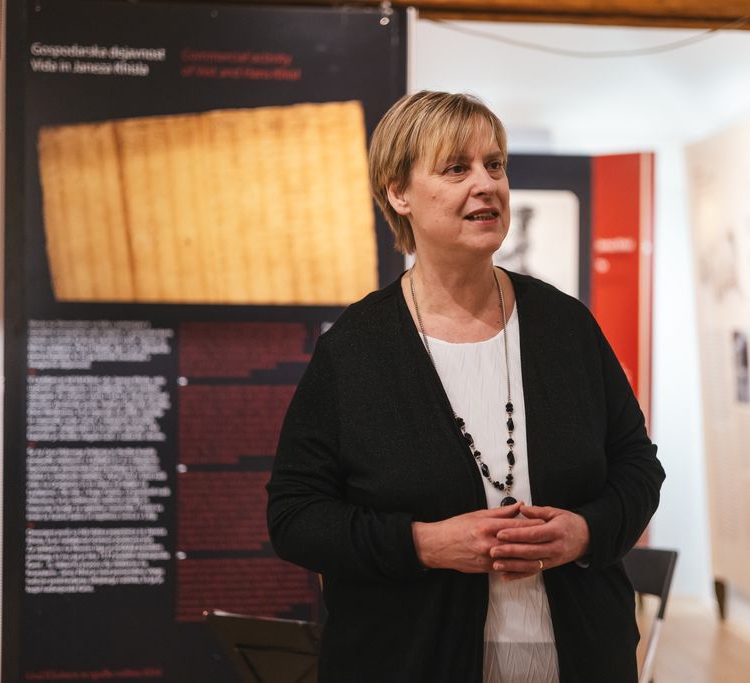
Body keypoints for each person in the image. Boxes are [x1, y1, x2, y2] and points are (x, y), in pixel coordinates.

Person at [266, 91, 665, 683]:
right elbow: (295, 515)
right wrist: (423, 544)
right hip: (408, 658)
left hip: (582, 654)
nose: (486, 184)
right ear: (398, 193)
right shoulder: (355, 348)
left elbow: (637, 465)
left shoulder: (564, 325)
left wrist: (585, 533)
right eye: (457, 168)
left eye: (495, 165)